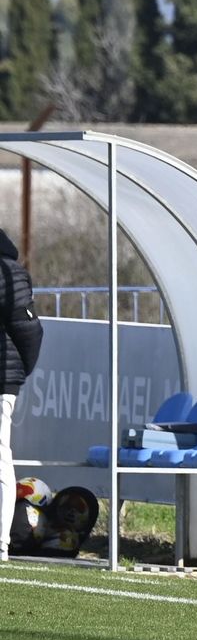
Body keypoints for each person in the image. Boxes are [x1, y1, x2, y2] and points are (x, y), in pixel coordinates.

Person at [1, 228, 44, 563]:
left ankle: (1, 542)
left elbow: (26, 328)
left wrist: (17, 373)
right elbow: (28, 329)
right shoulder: (12, 271)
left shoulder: (9, 272)